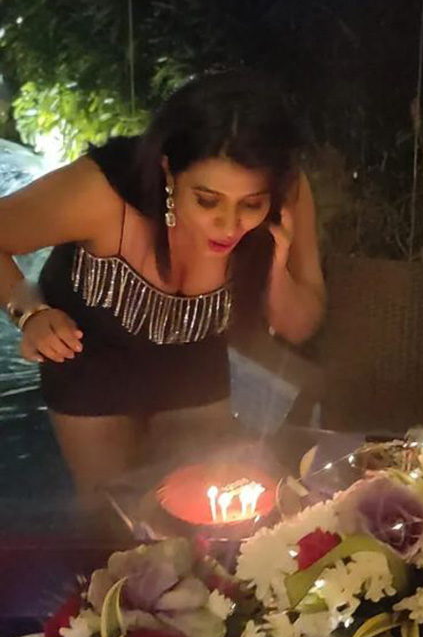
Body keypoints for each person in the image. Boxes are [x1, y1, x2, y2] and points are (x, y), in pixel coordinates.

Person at [0, 70, 325, 505]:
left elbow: (299, 326)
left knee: (205, 505)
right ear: (169, 170)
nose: (229, 226)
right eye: (207, 200)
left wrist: (276, 265)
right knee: (111, 511)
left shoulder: (287, 192)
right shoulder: (102, 194)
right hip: (90, 358)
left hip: (194, 363)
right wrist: (30, 314)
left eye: (251, 204)